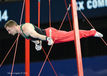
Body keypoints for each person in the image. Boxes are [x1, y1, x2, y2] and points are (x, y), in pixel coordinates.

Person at [4, 20, 103, 51]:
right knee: (70, 35)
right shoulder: (21, 32)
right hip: (48, 34)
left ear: (13, 27)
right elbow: (34, 38)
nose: (9, 32)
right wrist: (37, 44)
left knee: (72, 35)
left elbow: (36, 35)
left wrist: (47, 38)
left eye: (9, 30)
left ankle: (92, 32)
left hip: (50, 35)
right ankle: (91, 32)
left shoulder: (25, 28)